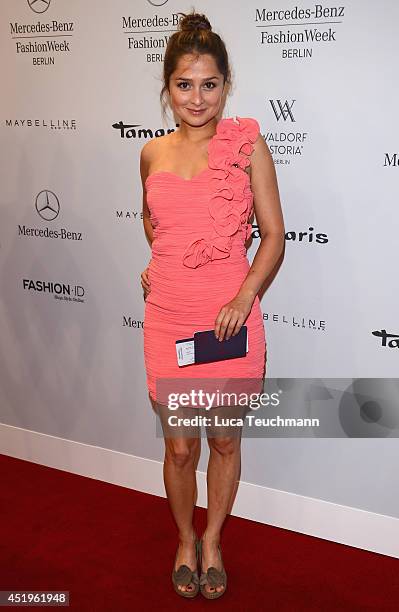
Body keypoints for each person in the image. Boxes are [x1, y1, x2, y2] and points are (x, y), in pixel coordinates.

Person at [139, 10, 284, 599]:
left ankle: (215, 539)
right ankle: (183, 538)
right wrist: (159, 264)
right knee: (179, 446)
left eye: (209, 84)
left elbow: (273, 235)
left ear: (226, 84)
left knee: (224, 440)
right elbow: (155, 223)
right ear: (167, 87)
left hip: (229, 318)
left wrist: (244, 294)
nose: (197, 98)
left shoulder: (247, 143)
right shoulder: (151, 152)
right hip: (170, 317)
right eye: (184, 84)